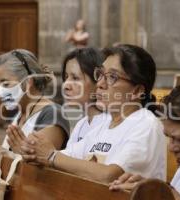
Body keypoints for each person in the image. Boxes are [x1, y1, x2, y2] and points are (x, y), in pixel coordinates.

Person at [20, 44, 166, 183]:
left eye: (112, 77)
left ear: (137, 91)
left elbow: (109, 175)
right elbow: (67, 157)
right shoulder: (104, 125)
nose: (100, 84)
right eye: (101, 74)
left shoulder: (145, 124)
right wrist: (33, 150)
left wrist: (51, 155)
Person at [61, 47, 110, 146]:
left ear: (98, 81)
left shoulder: (109, 123)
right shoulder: (81, 124)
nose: (66, 85)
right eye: (66, 77)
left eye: (75, 78)